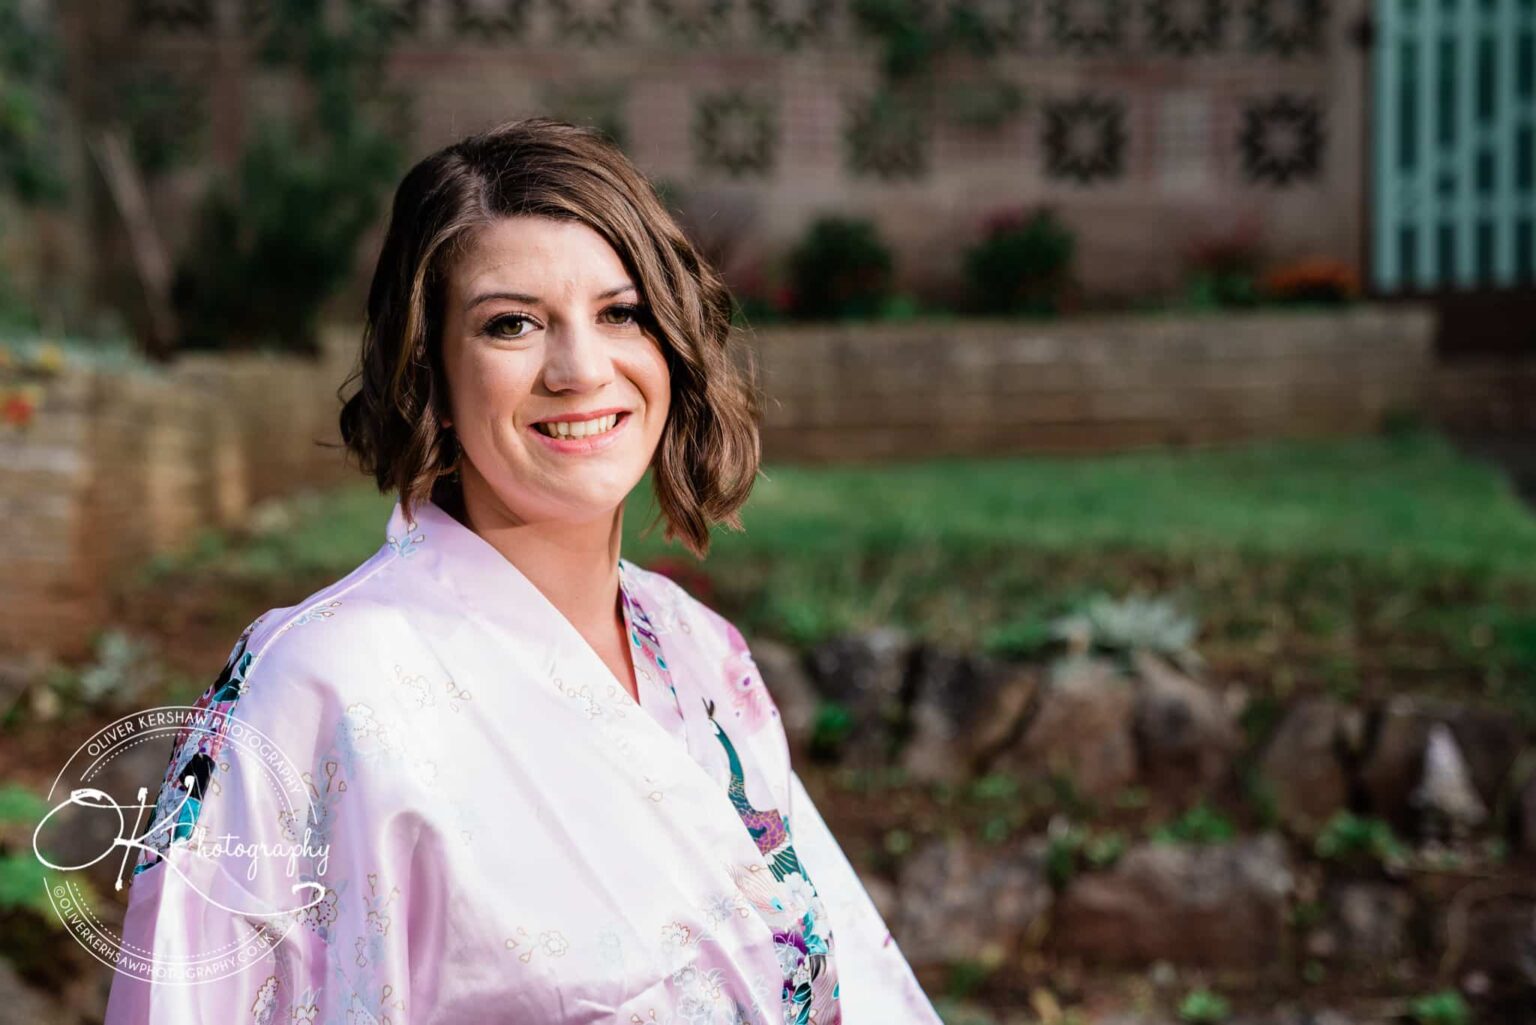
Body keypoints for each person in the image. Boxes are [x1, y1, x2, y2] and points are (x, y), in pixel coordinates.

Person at [103, 117, 942, 1024]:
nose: (581, 369)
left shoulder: (704, 652)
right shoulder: (314, 685)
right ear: (429, 372)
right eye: (513, 324)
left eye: (620, 313)